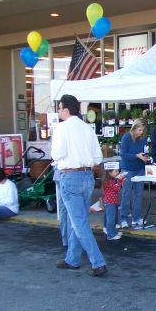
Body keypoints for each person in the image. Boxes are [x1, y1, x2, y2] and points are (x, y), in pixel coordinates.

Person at [51, 94, 107, 277]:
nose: (58, 111)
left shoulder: (61, 128)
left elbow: (57, 154)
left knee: (79, 222)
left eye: (59, 108)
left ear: (65, 110)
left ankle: (98, 262)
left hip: (70, 176)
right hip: (87, 175)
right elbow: (98, 157)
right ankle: (72, 259)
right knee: (79, 220)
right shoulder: (87, 128)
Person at [120, 119, 150, 229]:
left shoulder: (143, 138)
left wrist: (145, 157)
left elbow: (144, 151)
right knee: (126, 194)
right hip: (127, 169)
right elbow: (123, 155)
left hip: (139, 168)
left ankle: (136, 218)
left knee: (139, 194)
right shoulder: (126, 137)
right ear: (134, 128)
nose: (141, 132)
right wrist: (136, 156)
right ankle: (123, 218)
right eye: (139, 130)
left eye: (142, 130)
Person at [102, 164, 126, 241]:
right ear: (109, 172)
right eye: (115, 171)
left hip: (112, 202)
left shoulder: (110, 180)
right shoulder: (108, 181)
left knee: (112, 219)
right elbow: (117, 189)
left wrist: (119, 181)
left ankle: (113, 232)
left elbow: (116, 188)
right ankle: (110, 235)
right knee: (111, 219)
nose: (118, 172)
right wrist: (120, 181)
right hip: (110, 202)